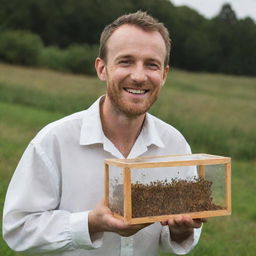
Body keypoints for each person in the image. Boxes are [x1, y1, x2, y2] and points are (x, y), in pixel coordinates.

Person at [3, 11, 205, 256]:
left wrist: (181, 231)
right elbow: (17, 229)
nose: (139, 76)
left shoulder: (175, 145)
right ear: (102, 69)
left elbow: (173, 237)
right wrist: (91, 223)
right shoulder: (54, 140)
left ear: (163, 75)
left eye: (151, 64)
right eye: (126, 61)